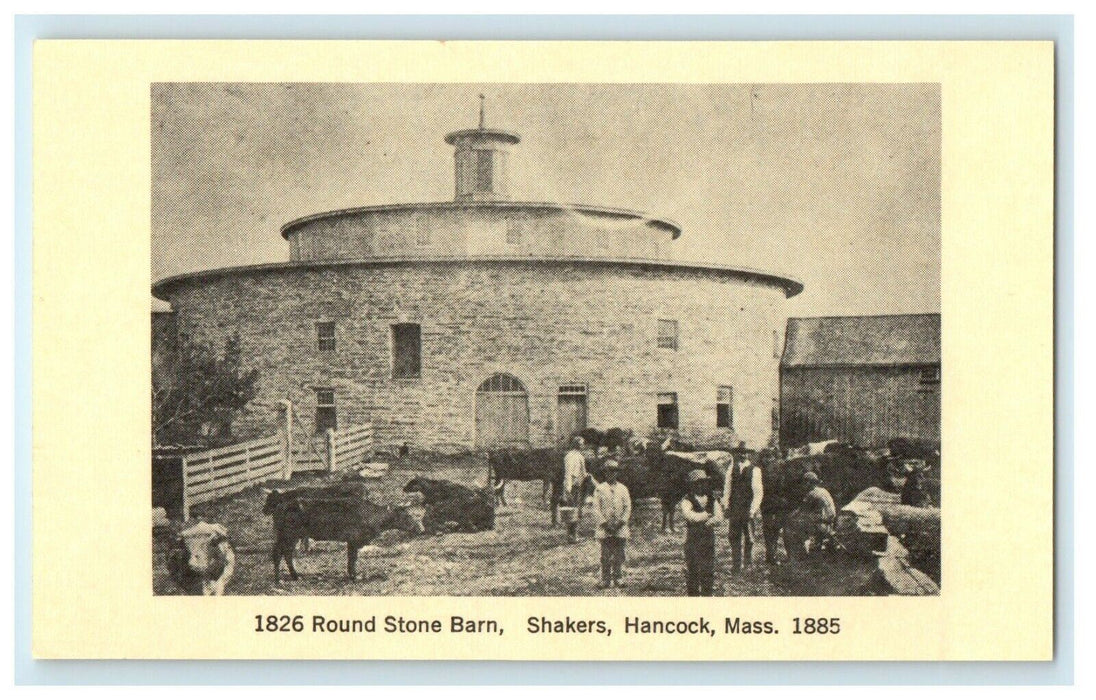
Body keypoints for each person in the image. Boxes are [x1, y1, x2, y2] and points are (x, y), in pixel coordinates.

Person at [679, 468, 724, 596]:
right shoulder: (687, 500)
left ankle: (707, 594)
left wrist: (709, 522)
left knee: (708, 567)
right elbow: (689, 516)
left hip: (708, 537)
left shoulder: (711, 499)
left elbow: (719, 516)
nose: (702, 485)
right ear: (693, 485)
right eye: (698, 482)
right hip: (693, 538)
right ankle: (693, 595)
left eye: (704, 482)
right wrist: (706, 516)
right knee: (693, 567)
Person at [722, 450, 763, 573]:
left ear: (749, 454)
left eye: (745, 453)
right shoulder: (731, 469)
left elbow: (758, 493)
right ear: (736, 454)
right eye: (740, 453)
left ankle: (748, 564)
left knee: (749, 538)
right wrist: (726, 505)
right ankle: (736, 565)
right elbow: (727, 488)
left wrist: (753, 509)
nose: (742, 455)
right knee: (734, 536)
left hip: (747, 508)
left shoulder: (755, 470)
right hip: (735, 508)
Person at [593, 459, 631, 589]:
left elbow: (627, 507)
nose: (611, 474)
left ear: (617, 473)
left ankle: (618, 577)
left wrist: (621, 522)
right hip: (605, 528)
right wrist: (605, 524)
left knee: (619, 554)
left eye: (614, 471)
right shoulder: (600, 489)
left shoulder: (623, 489)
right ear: (604, 473)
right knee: (605, 555)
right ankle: (605, 578)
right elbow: (596, 508)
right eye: (608, 472)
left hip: (619, 527)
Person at [796, 471, 837, 555]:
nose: (803, 485)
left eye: (805, 483)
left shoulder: (811, 494)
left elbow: (802, 510)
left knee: (795, 524)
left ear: (808, 483)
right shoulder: (823, 490)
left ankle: (803, 550)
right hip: (831, 522)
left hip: (821, 524)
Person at [561, 436, 588, 542]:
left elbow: (583, 472)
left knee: (575, 510)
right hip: (572, 486)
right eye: (581, 444)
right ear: (577, 444)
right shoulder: (571, 456)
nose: (583, 445)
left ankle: (573, 535)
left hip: (577, 486)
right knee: (572, 511)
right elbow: (568, 473)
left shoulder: (579, 456)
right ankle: (572, 536)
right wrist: (567, 488)